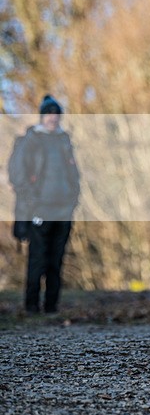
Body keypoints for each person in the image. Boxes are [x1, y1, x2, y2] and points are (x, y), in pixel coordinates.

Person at [9, 95, 80, 314]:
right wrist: (33, 202)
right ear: (42, 116)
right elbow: (17, 174)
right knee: (37, 259)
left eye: (56, 114)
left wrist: (73, 200)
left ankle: (51, 307)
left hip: (63, 210)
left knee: (56, 261)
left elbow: (74, 175)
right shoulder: (30, 140)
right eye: (49, 113)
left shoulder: (64, 140)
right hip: (39, 210)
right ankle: (31, 306)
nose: (53, 118)